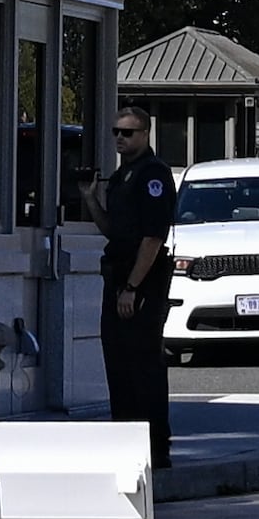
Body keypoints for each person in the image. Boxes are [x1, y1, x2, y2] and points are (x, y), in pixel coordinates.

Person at [99, 102, 177, 464]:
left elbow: (152, 237)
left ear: (145, 135)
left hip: (142, 278)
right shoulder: (121, 175)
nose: (119, 138)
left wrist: (132, 288)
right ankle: (124, 441)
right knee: (117, 363)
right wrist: (88, 197)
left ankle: (155, 447)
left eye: (127, 132)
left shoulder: (153, 175)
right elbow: (113, 230)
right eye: (116, 131)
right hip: (118, 274)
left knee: (142, 364)